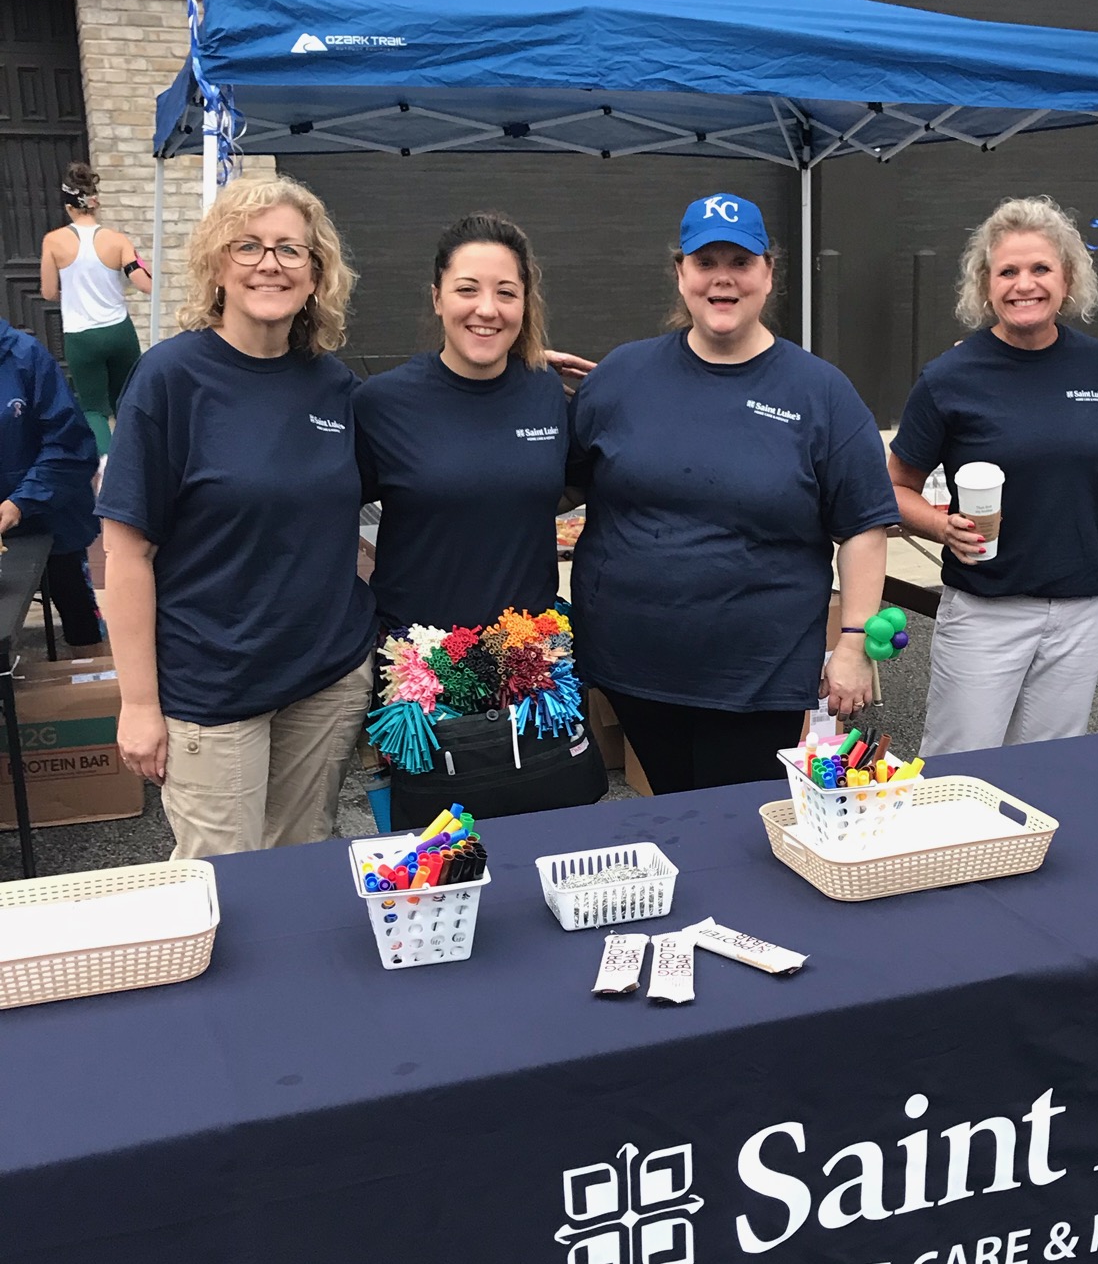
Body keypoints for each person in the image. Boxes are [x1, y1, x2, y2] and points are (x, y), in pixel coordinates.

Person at [568, 193, 898, 794]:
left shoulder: (819, 392)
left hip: (756, 671)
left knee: (739, 824)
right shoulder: (621, 375)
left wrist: (852, 641)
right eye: (705, 261)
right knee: (669, 805)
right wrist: (507, 385)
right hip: (631, 661)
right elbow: (556, 480)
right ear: (681, 274)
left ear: (769, 274)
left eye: (741, 262)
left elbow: (862, 526)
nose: (723, 278)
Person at [99, 177, 376, 859]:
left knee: (305, 859)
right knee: (223, 883)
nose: (269, 263)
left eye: (290, 249)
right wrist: (137, 703)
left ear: (316, 273)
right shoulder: (170, 380)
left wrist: (505, 382)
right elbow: (126, 551)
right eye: (248, 245)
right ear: (218, 264)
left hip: (325, 678)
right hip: (212, 688)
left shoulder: (332, 384)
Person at [888, 196, 1098, 752]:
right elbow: (893, 486)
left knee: (1048, 769)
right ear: (985, 284)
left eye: (1041, 268)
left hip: (1082, 606)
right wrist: (940, 525)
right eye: (1008, 271)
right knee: (957, 768)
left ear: (1067, 277)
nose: (1026, 284)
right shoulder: (950, 376)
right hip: (985, 610)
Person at [354, 212, 580, 632]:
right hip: (417, 670)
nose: (487, 309)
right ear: (437, 299)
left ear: (525, 303)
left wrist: (614, 393)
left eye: (506, 293)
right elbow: (324, 516)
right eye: (467, 289)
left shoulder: (545, 391)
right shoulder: (381, 402)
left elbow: (559, 486)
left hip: (530, 664)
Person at [0, 318, 104, 646]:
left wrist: (20, 502)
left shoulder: (26, 357)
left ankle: (89, 684)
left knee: (78, 617)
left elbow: (71, 446)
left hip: (51, 513)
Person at [39, 162, 151, 460]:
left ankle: (105, 471)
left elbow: (48, 291)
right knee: (127, 401)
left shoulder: (53, 241)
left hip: (81, 334)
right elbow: (144, 283)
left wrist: (73, 290)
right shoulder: (118, 240)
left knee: (93, 408)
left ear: (68, 206)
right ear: (94, 202)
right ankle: (139, 461)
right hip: (118, 330)